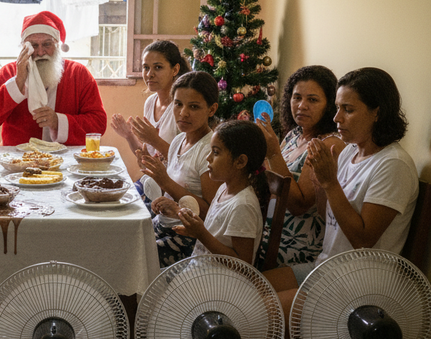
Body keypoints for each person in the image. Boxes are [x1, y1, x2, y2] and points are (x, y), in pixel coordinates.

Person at [264, 67, 418, 326]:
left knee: (261, 311)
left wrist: (329, 182)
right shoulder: (350, 153)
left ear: (377, 112)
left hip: (358, 283)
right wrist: (321, 186)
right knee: (250, 286)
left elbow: (363, 239)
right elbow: (329, 220)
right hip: (327, 267)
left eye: (348, 109)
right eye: (337, 108)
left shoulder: (393, 164)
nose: (336, 118)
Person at [255, 66, 345, 266]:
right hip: (269, 231)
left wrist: (272, 153)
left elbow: (299, 205)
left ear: (329, 105)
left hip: (296, 244)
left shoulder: (329, 144)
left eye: (312, 100)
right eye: (297, 97)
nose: (302, 105)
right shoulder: (295, 134)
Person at [0, 10, 107, 145]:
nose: (40, 52)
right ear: (24, 48)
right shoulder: (8, 72)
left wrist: (58, 122)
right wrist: (18, 81)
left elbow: (99, 124)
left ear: (57, 45)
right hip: (18, 161)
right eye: (33, 45)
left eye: (47, 44)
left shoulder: (78, 74)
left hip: (66, 161)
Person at [153, 120, 269, 266]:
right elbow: (215, 229)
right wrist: (179, 212)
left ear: (240, 162)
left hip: (217, 284)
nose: (208, 158)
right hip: (201, 271)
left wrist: (201, 234)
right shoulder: (223, 189)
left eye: (215, 152)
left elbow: (243, 265)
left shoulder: (243, 205)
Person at [138, 71, 220, 266]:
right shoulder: (178, 141)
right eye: (178, 104)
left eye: (194, 106)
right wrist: (152, 172)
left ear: (211, 109)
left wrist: (165, 181)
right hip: (164, 224)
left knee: (134, 259)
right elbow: (173, 192)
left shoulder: (209, 150)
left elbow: (211, 213)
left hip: (187, 238)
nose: (183, 113)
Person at [111, 40, 189, 210]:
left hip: (174, 192)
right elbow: (148, 158)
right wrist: (129, 136)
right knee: (112, 203)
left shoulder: (181, 107)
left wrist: (154, 140)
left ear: (175, 69)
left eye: (158, 67)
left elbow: (186, 163)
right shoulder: (150, 102)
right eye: (146, 68)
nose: (149, 74)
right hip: (152, 184)